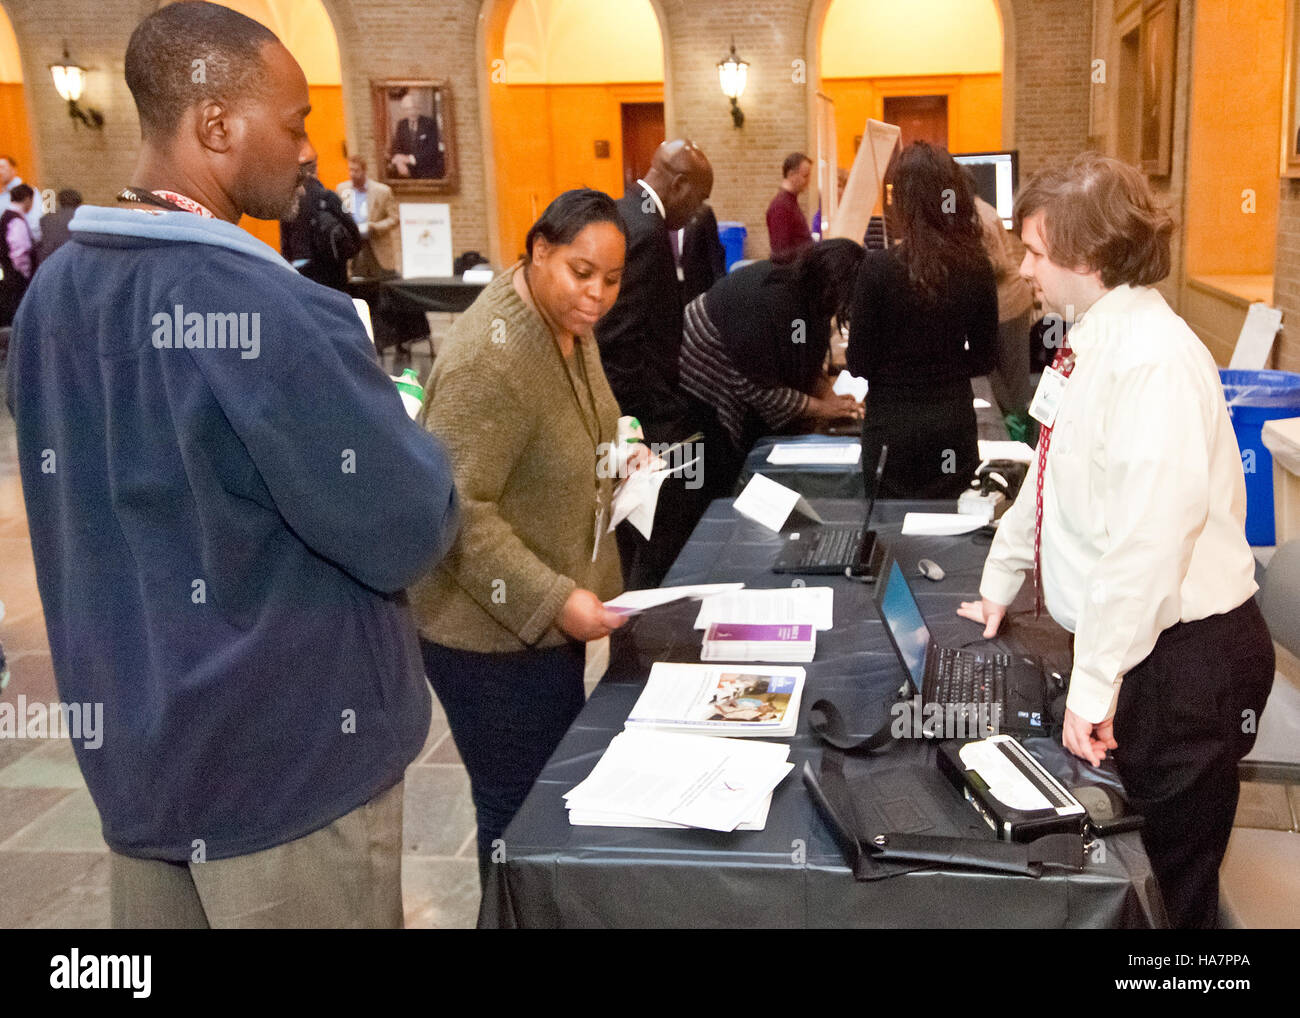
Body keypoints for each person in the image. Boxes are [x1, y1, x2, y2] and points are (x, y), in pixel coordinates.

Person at [6, 1, 459, 928]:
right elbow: (409, 525)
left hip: (140, 765)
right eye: (293, 124)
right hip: (285, 781)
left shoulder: (52, 294)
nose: (305, 150)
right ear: (215, 125)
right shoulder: (266, 306)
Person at [958, 154, 1274, 929]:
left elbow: (1147, 546)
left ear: (1089, 256)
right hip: (1147, 646)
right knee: (1141, 881)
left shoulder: (1153, 362)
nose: (1025, 267)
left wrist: (1095, 685)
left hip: (1185, 665)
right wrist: (999, 584)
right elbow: (1047, 472)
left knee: (1168, 893)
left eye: (1035, 251)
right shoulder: (1090, 337)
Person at [412, 188, 633, 887]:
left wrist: (619, 451)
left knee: (542, 816)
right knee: (518, 823)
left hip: (542, 628)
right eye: (581, 271)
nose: (597, 294)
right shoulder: (492, 358)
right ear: (539, 252)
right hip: (489, 641)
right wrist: (554, 599)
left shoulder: (567, 321)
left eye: (612, 279)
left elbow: (592, 417)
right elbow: (457, 510)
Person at [846, 141, 997, 498]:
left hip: (891, 426)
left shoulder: (877, 268)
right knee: (952, 535)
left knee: (888, 533)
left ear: (903, 201)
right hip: (951, 421)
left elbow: (858, 362)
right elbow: (985, 358)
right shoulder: (977, 268)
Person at [595, 138, 713, 588]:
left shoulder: (623, 212)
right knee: (651, 538)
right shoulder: (646, 233)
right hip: (642, 418)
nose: (697, 211)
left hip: (635, 410)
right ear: (680, 186)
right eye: (699, 200)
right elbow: (622, 341)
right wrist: (643, 425)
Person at [679, 238, 866, 500]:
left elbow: (805, 362)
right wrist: (824, 408)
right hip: (703, 375)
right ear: (834, 286)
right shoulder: (772, 300)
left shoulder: (809, 295)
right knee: (722, 472)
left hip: (738, 365)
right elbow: (760, 390)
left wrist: (829, 394)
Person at [968, 172, 1035, 430]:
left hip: (1008, 305)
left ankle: (1022, 443)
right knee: (995, 375)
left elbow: (997, 264)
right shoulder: (975, 210)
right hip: (995, 306)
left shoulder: (980, 216)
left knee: (1014, 381)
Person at [279, 166, 361, 291]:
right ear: (315, 172)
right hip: (330, 269)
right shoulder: (328, 197)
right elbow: (352, 229)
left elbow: (285, 240)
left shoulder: (289, 200)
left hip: (299, 267)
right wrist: (350, 253)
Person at [337, 156, 399, 278]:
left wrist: (375, 227)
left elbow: (394, 218)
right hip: (353, 244)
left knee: (381, 281)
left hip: (375, 244)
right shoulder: (342, 189)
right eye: (350, 170)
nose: (352, 174)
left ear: (364, 171)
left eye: (356, 171)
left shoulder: (382, 191)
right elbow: (339, 215)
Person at [766, 152, 813, 263]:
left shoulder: (789, 203)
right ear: (791, 175)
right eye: (805, 176)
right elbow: (780, 253)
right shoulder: (780, 207)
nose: (808, 181)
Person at [0, 183, 36, 327]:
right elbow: (20, 251)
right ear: (27, 199)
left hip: (8, 272)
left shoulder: (5, 216)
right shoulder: (16, 219)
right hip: (15, 276)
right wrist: (26, 273)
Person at [388, 89, 444, 180]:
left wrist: (410, 159)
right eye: (408, 109)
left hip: (427, 170)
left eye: (414, 108)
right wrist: (399, 162)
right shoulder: (402, 124)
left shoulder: (429, 123)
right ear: (404, 110)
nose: (412, 112)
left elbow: (433, 149)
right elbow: (396, 147)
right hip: (406, 169)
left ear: (419, 109)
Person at [0, 155, 42, 244]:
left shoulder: (29, 192)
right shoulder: (2, 196)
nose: (0, 171)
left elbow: (35, 221)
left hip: (24, 245)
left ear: (13, 169)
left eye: (2, 167)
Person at [36, 188, 82, 263]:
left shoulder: (46, 219)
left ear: (60, 201)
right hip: (75, 261)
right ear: (78, 202)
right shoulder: (81, 219)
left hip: (50, 261)